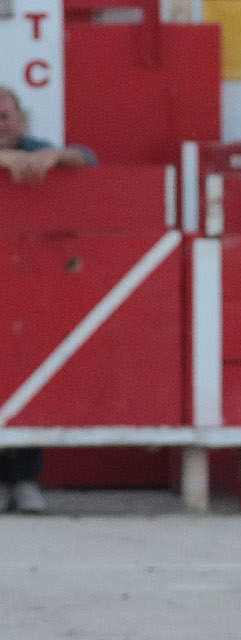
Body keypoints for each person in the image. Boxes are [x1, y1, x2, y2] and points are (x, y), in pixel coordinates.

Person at [1, 85, 97, 514]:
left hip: (29, 280)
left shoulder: (35, 147)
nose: (0, 125)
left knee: (29, 371)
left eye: (4, 116)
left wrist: (54, 157)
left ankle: (23, 481)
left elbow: (87, 158)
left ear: (21, 120)